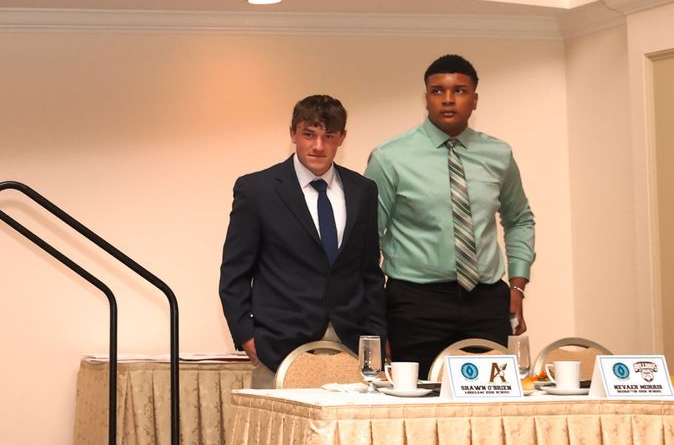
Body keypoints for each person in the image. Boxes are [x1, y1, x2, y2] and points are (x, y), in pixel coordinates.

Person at [365, 56, 535, 374]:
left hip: (486, 301)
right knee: (418, 406)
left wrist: (517, 285)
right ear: (426, 97)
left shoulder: (498, 154)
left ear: (474, 99)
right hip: (414, 303)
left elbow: (520, 218)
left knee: (489, 403)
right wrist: (374, 317)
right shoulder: (390, 157)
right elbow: (367, 240)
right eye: (437, 91)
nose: (447, 99)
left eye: (459, 90)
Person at [218, 95, 386, 387]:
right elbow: (235, 273)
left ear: (342, 138)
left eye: (328, 136)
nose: (318, 146)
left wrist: (377, 337)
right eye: (309, 134)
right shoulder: (257, 190)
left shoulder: (364, 190)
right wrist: (246, 335)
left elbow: (370, 271)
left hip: (351, 343)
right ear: (293, 133)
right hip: (279, 345)